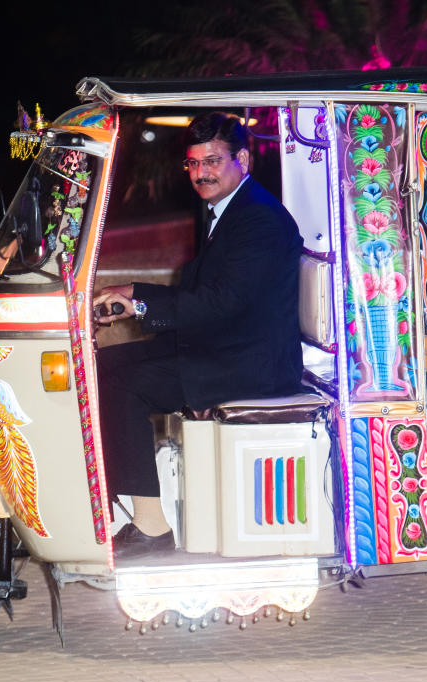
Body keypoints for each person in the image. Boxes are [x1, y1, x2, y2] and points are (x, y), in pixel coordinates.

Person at [94, 111, 304, 559]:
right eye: (193, 163)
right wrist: (132, 292)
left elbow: (220, 304)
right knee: (96, 368)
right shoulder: (225, 210)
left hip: (249, 364)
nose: (201, 173)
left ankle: (151, 527)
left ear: (242, 160)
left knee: (123, 388)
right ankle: (115, 500)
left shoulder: (259, 220)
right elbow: (206, 295)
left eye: (212, 161)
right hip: (224, 345)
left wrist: (142, 303)